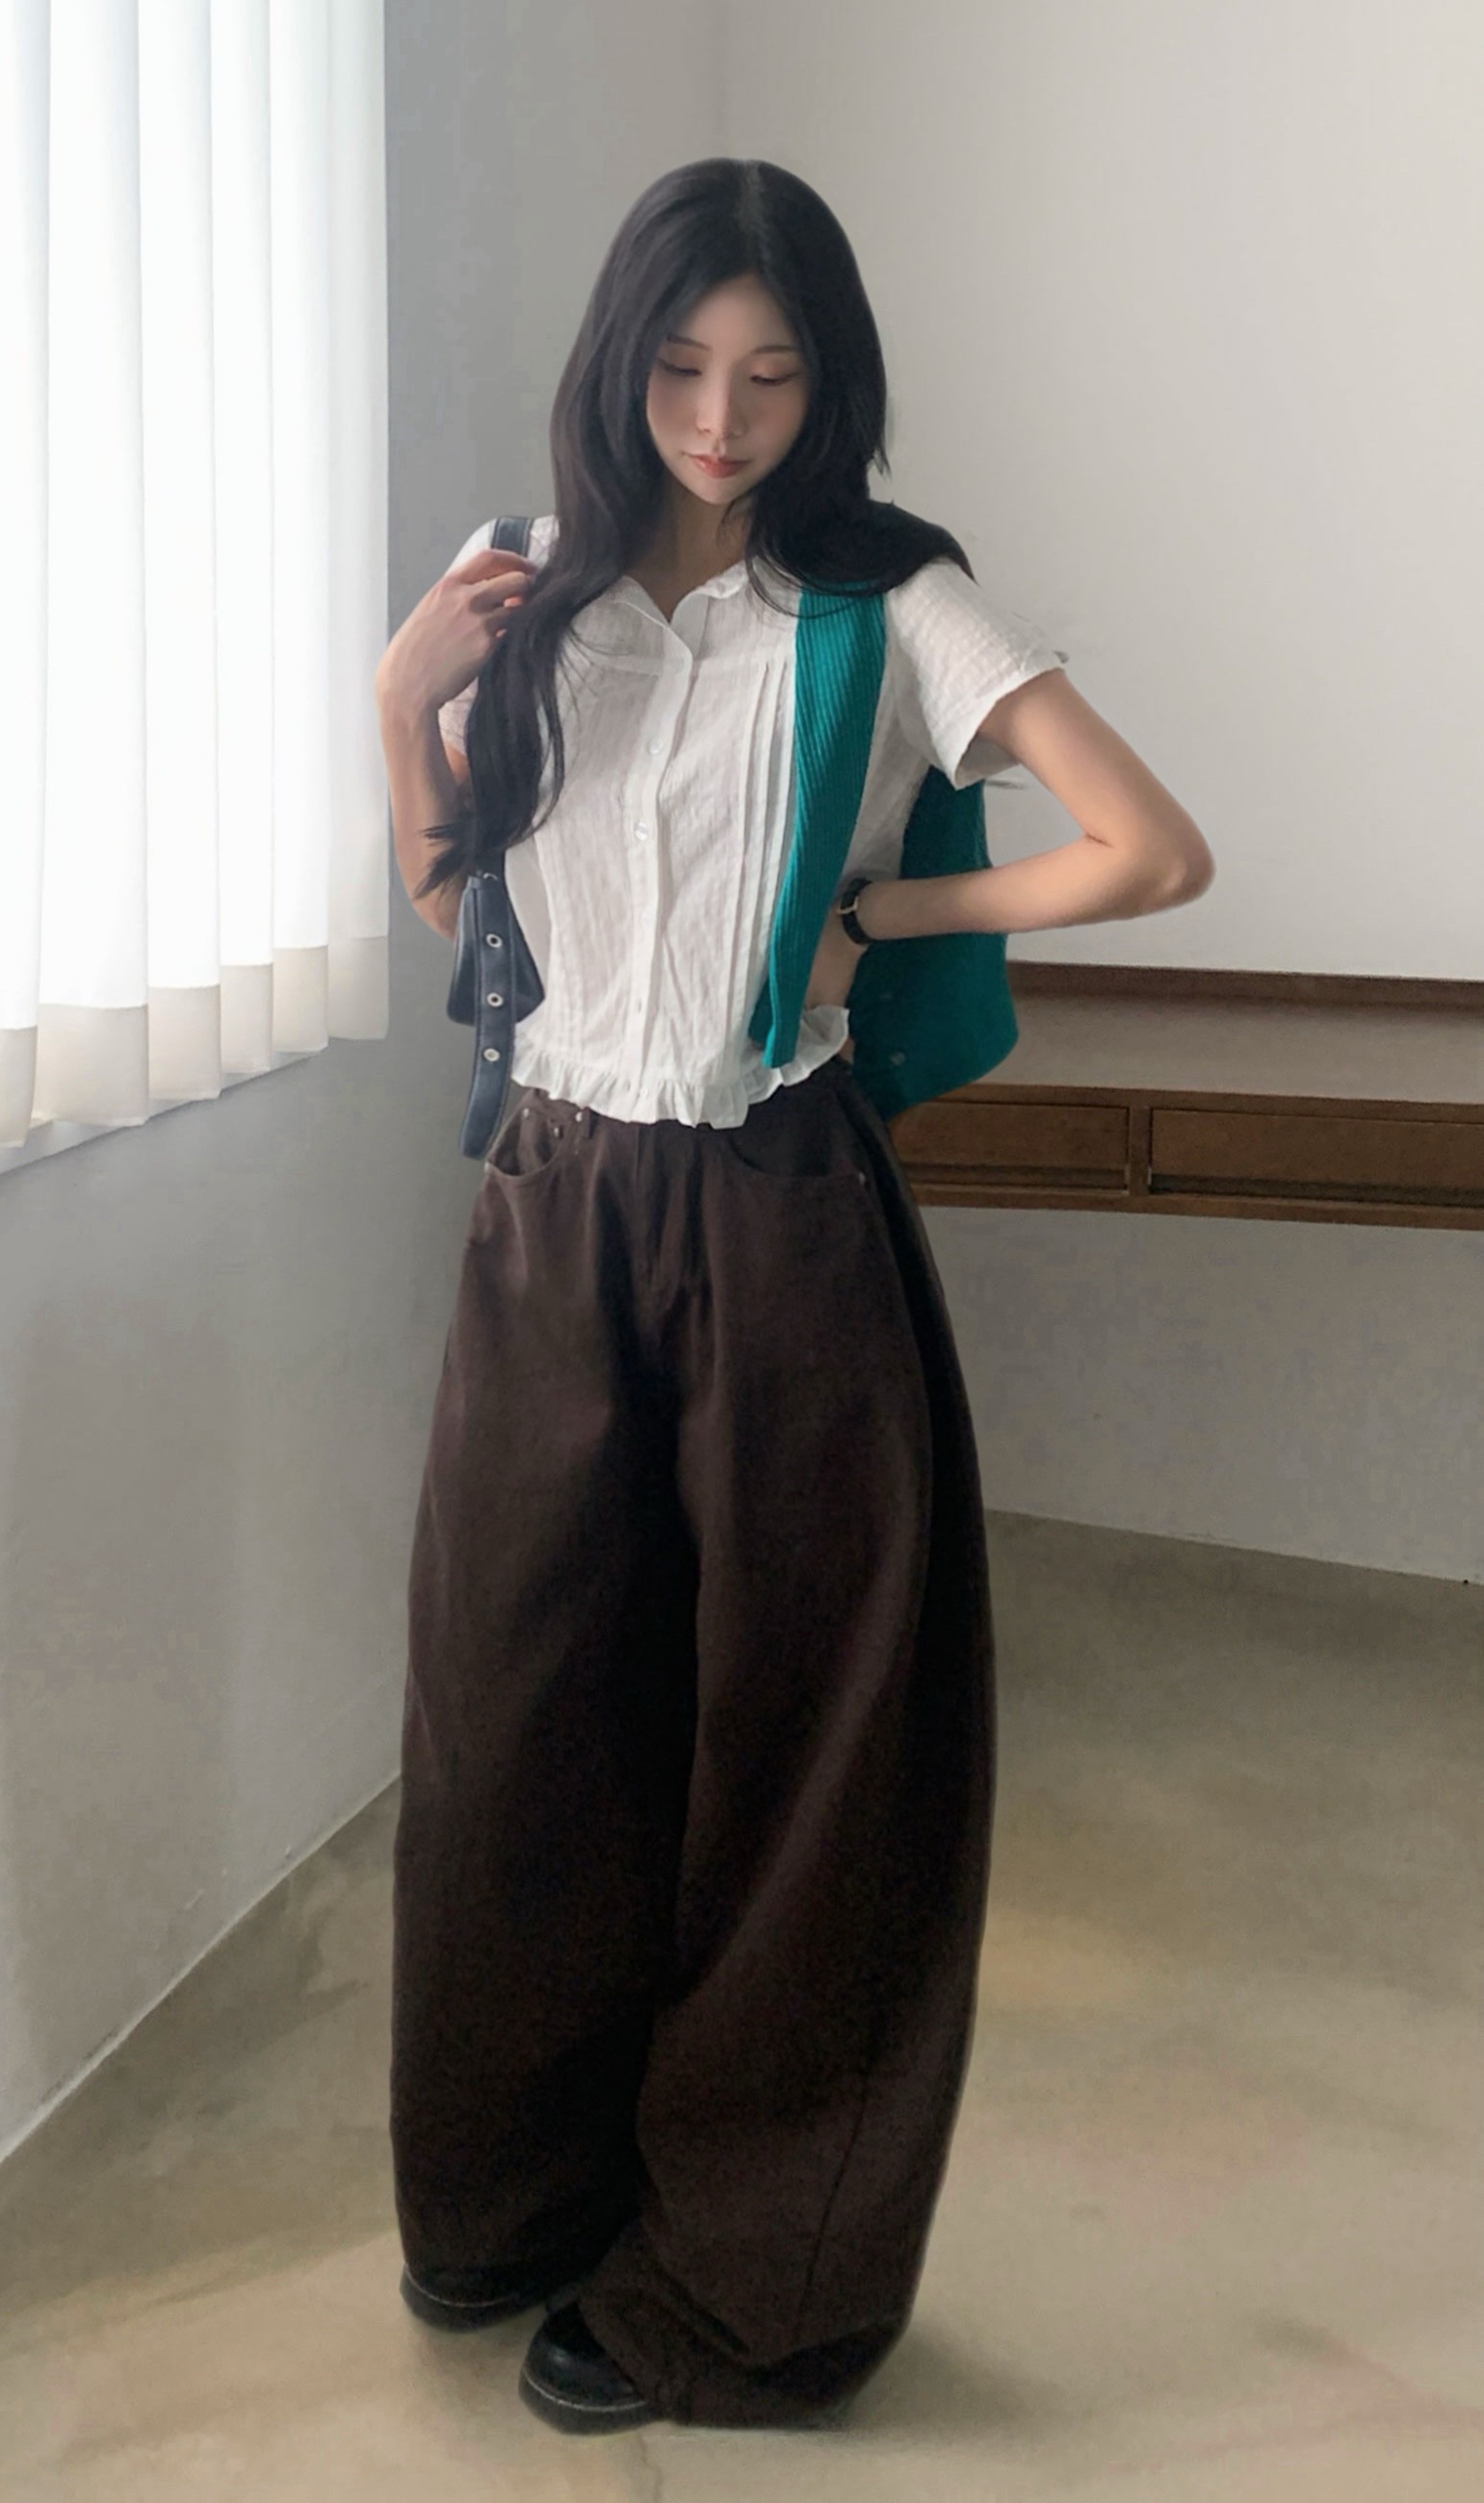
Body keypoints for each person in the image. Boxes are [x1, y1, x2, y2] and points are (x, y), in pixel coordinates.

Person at [373, 157, 1211, 2438]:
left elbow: (1148, 849)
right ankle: (510, 2194)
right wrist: (398, 701)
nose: (717, 418)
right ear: (614, 363)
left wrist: (880, 921)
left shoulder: (889, 601)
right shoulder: (524, 587)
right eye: (677, 366)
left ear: (826, 383)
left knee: (805, 1757)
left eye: (766, 373)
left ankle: (747, 2292)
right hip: (549, 1205)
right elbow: (467, 916)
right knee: (516, 1723)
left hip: (779, 1211)